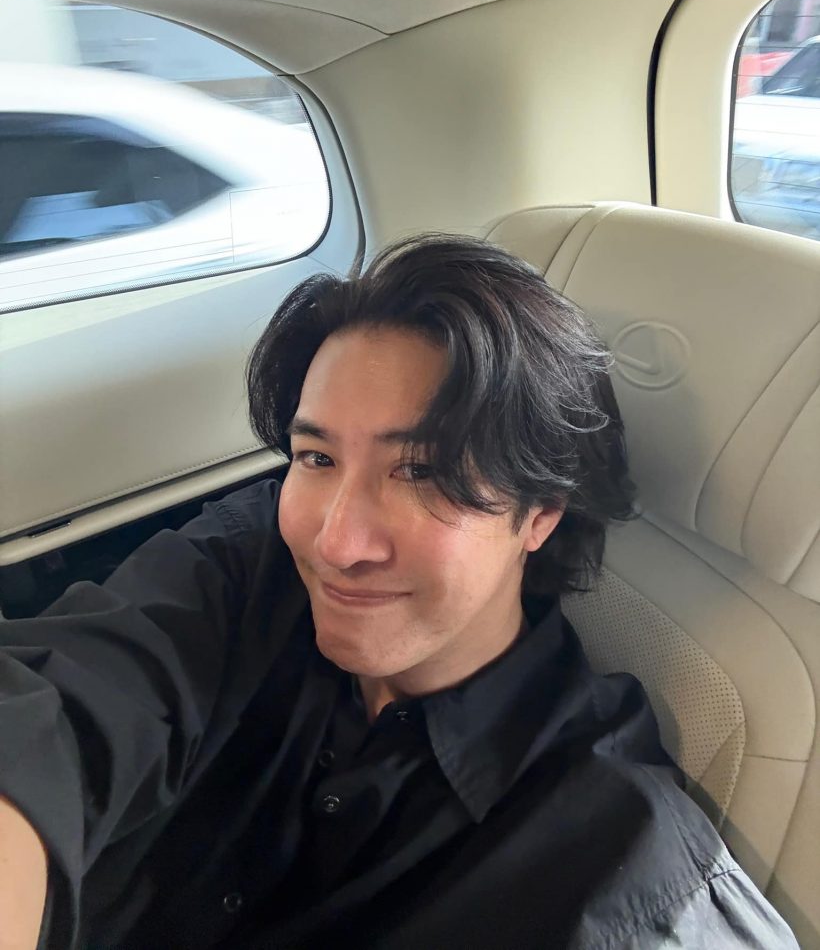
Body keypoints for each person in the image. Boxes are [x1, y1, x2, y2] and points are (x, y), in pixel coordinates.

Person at [0, 235, 798, 950]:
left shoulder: (617, 859)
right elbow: (58, 704)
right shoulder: (251, 561)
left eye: (421, 471)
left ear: (540, 513)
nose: (334, 542)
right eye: (316, 458)